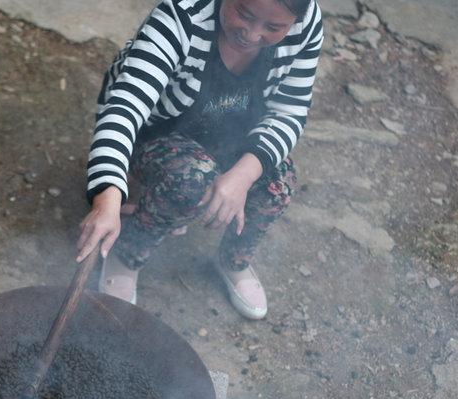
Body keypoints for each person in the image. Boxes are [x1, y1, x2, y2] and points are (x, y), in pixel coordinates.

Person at [76, 0, 323, 319]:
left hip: (232, 132)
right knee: (192, 178)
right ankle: (127, 253)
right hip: (156, 133)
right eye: (243, 14)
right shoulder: (182, 15)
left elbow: (289, 110)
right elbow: (124, 110)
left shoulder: (306, 20)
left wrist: (243, 175)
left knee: (279, 185)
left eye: (273, 28)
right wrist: (106, 198)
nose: (251, 33)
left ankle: (234, 260)